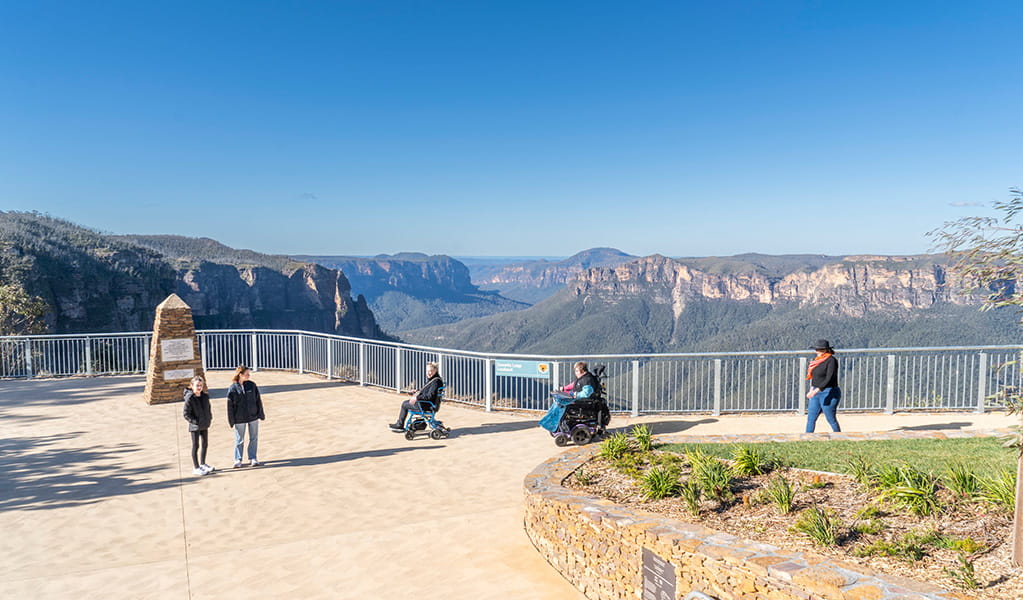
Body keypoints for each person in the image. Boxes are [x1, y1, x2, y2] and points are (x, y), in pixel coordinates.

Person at [227, 365, 265, 467]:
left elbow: (258, 400)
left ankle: (253, 457)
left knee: (254, 438)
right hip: (239, 418)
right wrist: (231, 420)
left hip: (253, 416)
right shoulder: (232, 388)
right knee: (239, 440)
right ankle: (238, 459)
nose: (249, 376)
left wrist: (260, 414)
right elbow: (230, 406)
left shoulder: (252, 385)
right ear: (240, 375)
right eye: (246, 374)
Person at [389, 362, 443, 432]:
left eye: (431, 371)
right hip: (428, 404)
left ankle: (400, 425)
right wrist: (417, 392)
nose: (429, 373)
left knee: (405, 404)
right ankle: (401, 424)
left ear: (436, 371)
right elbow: (427, 392)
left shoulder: (435, 382)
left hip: (427, 405)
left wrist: (417, 397)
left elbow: (429, 396)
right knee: (406, 403)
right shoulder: (435, 380)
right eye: (427, 371)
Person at [805, 339, 841, 433]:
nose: (816, 351)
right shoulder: (817, 361)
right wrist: (811, 389)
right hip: (816, 392)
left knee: (830, 418)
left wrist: (816, 391)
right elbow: (815, 377)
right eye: (816, 349)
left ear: (825, 350)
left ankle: (839, 437)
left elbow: (829, 378)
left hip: (829, 392)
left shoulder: (831, 361)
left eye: (819, 349)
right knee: (811, 419)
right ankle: (807, 438)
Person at [183, 375, 214, 476]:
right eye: (197, 385)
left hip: (204, 424)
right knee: (196, 446)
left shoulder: (205, 396)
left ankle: (203, 463)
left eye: (201, 385)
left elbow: (208, 409)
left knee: (205, 444)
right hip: (195, 426)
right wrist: (194, 421)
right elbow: (186, 414)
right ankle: (196, 467)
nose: (199, 387)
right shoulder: (190, 398)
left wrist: (209, 418)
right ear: (192, 386)